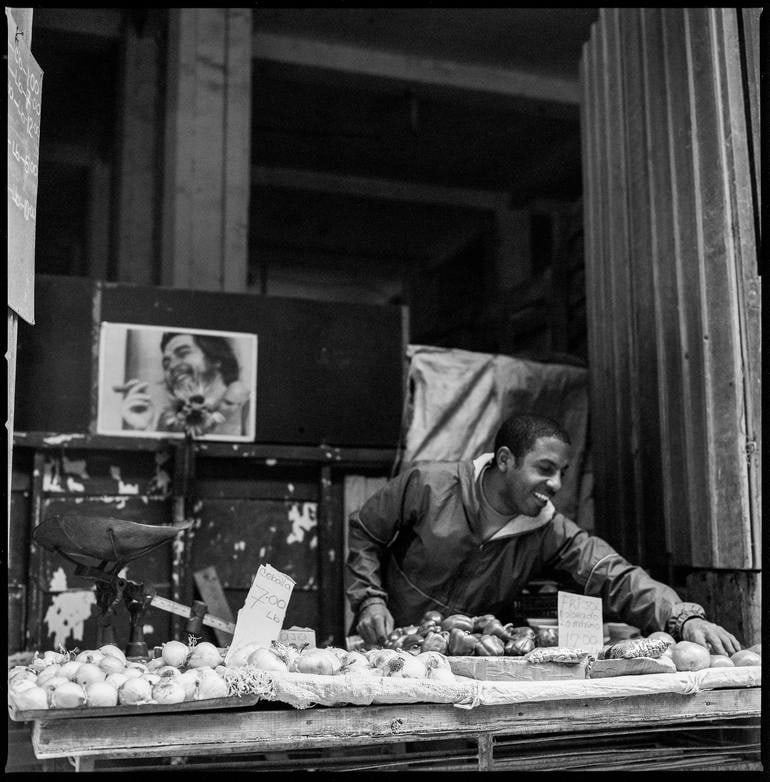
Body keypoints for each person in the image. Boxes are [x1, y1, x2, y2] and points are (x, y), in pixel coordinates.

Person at [345, 413, 741, 656]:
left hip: (465, 664)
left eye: (562, 474)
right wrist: (369, 602)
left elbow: (614, 574)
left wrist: (680, 617)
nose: (555, 484)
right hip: (385, 645)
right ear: (505, 460)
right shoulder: (429, 484)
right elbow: (365, 531)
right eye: (545, 468)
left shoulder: (551, 531)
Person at [117, 332, 249, 436]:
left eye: (183, 353)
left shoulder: (247, 408)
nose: (172, 366)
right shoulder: (169, 422)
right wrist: (145, 428)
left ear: (216, 358)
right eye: (166, 363)